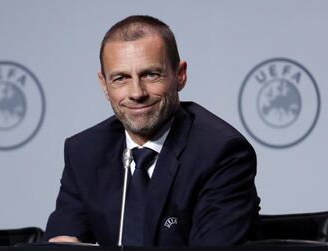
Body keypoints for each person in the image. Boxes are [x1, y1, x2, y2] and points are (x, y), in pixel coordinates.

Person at [44, 15, 261, 246]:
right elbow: (62, 241)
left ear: (180, 75)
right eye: (121, 78)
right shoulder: (85, 152)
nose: (137, 93)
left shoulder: (220, 153)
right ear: (104, 85)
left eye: (150, 74)